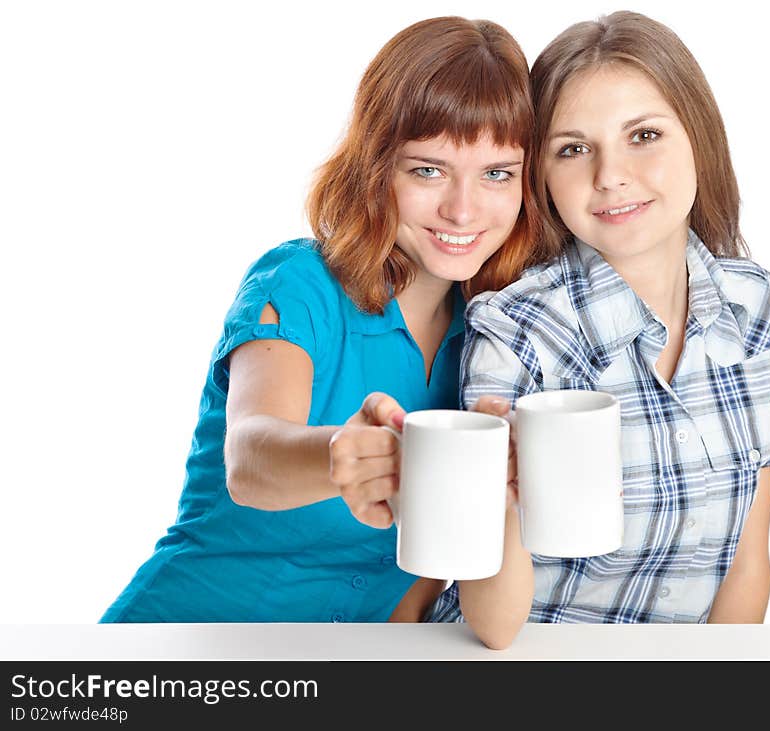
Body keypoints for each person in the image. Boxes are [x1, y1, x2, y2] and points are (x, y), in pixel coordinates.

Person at [100, 16, 545, 647]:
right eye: (427, 170)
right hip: (176, 649)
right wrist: (341, 455)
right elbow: (250, 457)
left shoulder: (495, 338)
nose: (462, 210)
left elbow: (419, 589)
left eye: (497, 173)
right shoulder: (299, 281)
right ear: (376, 167)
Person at [427, 10, 770, 625]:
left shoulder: (753, 304)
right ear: (540, 177)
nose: (610, 176)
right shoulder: (514, 329)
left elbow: (748, 562)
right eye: (573, 150)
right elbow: (493, 627)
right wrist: (498, 495)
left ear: (699, 138)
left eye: (644, 135)